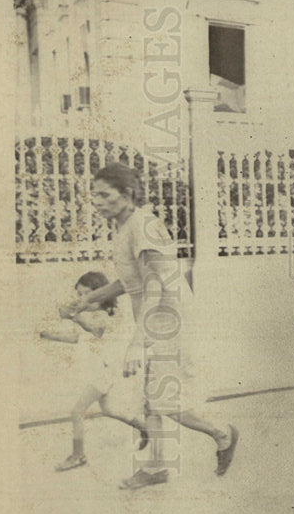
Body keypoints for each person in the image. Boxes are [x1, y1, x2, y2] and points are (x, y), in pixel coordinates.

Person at [61, 163, 238, 489]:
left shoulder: (143, 225)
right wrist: (90, 298)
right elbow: (132, 280)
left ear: (126, 193)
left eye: (104, 194)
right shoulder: (126, 226)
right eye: (94, 195)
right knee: (151, 399)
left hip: (170, 323)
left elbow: (155, 284)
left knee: (167, 402)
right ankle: (156, 467)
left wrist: (137, 342)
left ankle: (222, 433)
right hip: (156, 323)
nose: (97, 202)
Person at [42, 271, 148, 471]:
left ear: (101, 294)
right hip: (102, 371)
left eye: (86, 294)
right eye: (79, 294)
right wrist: (50, 336)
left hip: (105, 372)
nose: (82, 299)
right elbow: (79, 338)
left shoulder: (104, 315)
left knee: (77, 412)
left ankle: (78, 456)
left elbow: (95, 330)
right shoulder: (92, 315)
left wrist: (73, 316)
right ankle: (145, 427)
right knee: (110, 410)